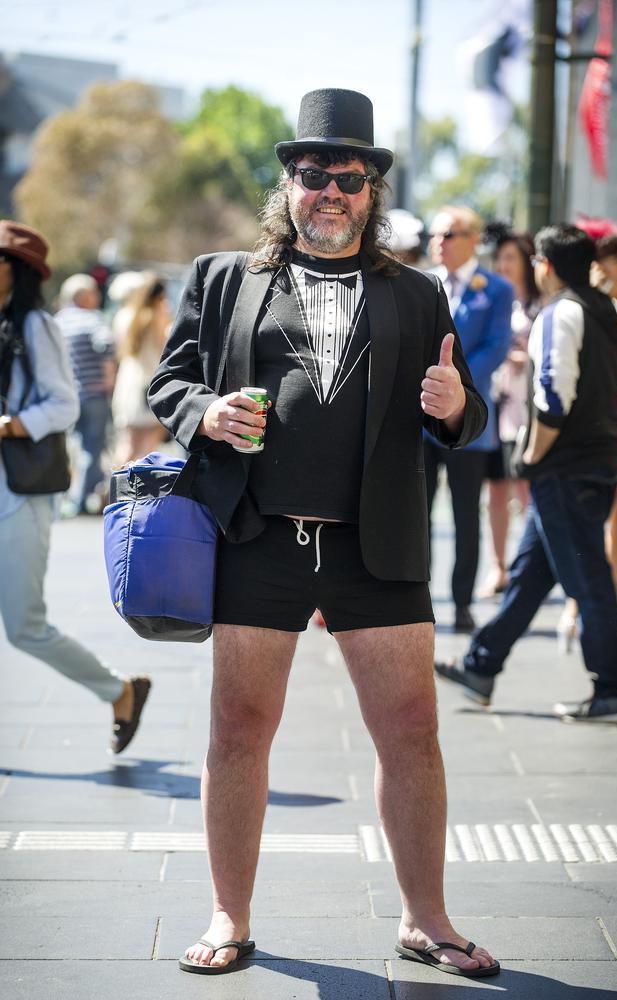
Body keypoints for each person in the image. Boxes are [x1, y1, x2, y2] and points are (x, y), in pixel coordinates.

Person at [148, 89, 498, 979]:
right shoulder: (225, 278)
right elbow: (168, 384)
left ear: (373, 191)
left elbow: (463, 413)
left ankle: (427, 919)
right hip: (257, 537)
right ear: (289, 185)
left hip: (373, 545)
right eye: (314, 175)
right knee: (238, 731)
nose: (331, 190)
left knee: (412, 732)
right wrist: (205, 411)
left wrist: (460, 410)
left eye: (350, 176)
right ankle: (230, 915)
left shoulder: (418, 293)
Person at [435, 224, 617, 726]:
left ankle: (612, 690)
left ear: (544, 265)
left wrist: (529, 456)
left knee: (588, 580)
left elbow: (552, 399)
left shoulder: (561, 313)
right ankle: (481, 666)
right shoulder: (604, 310)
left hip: (565, 468)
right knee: (531, 573)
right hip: (597, 460)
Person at [0, 220, 151, 752]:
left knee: (24, 626)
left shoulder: (38, 327)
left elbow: (63, 404)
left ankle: (119, 691)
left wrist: (11, 424)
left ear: (17, 272)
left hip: (19, 493)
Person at [557, 228, 617, 651]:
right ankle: (579, 611)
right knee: (592, 528)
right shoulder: (591, 312)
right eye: (612, 259)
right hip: (604, 431)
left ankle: (605, 617)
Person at [425, 206, 512, 632]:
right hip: (421, 422)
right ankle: (415, 600)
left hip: (469, 423)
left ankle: (461, 602)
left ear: (473, 239)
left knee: (465, 516)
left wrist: (452, 385)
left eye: (451, 234)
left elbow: (495, 349)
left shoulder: (495, 289)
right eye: (436, 234)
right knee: (414, 514)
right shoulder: (422, 285)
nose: (440, 241)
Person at [479, 231, 539, 598]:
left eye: (511, 258)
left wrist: (524, 358)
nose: (503, 265)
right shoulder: (494, 300)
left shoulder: (540, 304)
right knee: (496, 491)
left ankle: (527, 567)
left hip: (526, 410)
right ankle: (498, 565)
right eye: (500, 258)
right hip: (496, 407)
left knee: (526, 490)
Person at [56, 273, 115, 515]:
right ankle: (80, 501)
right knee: (92, 446)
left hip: (69, 393)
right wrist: (110, 380)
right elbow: (107, 346)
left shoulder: (58, 321)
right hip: (94, 393)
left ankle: (72, 495)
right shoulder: (93, 320)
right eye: (94, 293)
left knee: (77, 445)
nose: (97, 297)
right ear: (84, 296)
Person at [111, 273, 170, 466]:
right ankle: (137, 493)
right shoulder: (157, 317)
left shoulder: (124, 316)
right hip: (149, 387)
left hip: (126, 385)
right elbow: (165, 351)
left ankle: (112, 490)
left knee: (127, 446)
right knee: (148, 450)